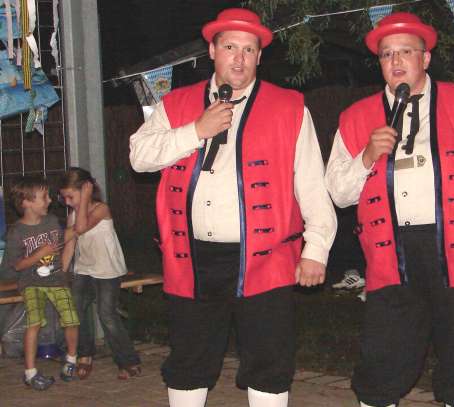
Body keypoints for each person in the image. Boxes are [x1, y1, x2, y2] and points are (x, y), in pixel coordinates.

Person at [129, 7, 336, 407]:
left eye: (248, 49)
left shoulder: (289, 107)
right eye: (229, 47)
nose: (239, 59)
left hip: (267, 258)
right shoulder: (175, 104)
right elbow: (139, 157)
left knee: (268, 359)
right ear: (212, 51)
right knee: (189, 358)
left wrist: (316, 249)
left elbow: (312, 184)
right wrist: (196, 130)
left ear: (259, 56)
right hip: (191, 257)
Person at [325, 12, 454, 407]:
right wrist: (367, 156)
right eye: (387, 54)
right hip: (392, 254)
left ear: (426, 58)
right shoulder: (356, 117)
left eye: (406, 51)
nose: (396, 61)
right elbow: (338, 193)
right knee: (383, 356)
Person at [59, 167, 141, 381]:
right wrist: (62, 272)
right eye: (64, 197)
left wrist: (86, 198)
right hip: (84, 268)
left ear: (86, 190)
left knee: (107, 314)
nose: (67, 202)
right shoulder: (73, 215)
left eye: (71, 196)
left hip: (107, 270)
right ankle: (85, 354)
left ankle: (128, 360)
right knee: (76, 309)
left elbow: (81, 228)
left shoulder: (101, 209)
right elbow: (70, 245)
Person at [0, 176, 80, 390]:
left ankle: (71, 360)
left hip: (56, 279)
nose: (49, 200)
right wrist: (38, 254)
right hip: (31, 282)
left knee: (71, 318)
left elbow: (63, 238)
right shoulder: (17, 232)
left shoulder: (51, 221)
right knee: (34, 322)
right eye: (43, 197)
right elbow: (17, 265)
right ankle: (30, 372)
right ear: (26, 202)